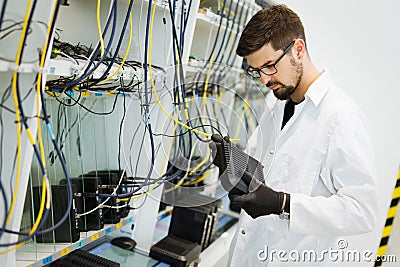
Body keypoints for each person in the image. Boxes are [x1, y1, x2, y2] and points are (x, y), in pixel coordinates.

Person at [223, 4, 378, 266]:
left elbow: (363, 211)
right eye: (256, 70)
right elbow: (268, 171)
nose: (263, 79)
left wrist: (284, 204)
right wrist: (231, 161)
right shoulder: (277, 105)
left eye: (269, 65)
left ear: (298, 49)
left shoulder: (341, 117)